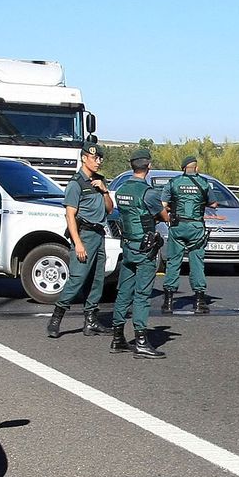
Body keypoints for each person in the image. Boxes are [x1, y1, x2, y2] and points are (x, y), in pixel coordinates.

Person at [49, 141, 113, 338]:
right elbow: (70, 215)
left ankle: (91, 320)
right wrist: (78, 243)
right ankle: (56, 317)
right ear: (84, 158)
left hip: (99, 234)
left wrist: (104, 191)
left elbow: (109, 209)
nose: (98, 162)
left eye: (100, 158)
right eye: (95, 158)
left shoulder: (100, 181)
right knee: (77, 279)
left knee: (97, 279)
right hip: (84, 234)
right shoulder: (76, 184)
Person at [108, 150, 165, 358]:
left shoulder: (122, 189)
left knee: (123, 292)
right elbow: (163, 215)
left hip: (128, 247)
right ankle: (141, 341)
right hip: (144, 250)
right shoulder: (148, 193)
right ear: (148, 166)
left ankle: (117, 338)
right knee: (141, 295)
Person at [162, 156, 218, 315]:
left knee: (173, 261)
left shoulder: (173, 183)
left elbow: (163, 205)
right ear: (196, 168)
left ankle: (168, 302)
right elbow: (213, 204)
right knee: (197, 262)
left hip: (178, 226)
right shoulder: (204, 183)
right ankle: (199, 301)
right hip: (196, 227)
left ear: (183, 168)